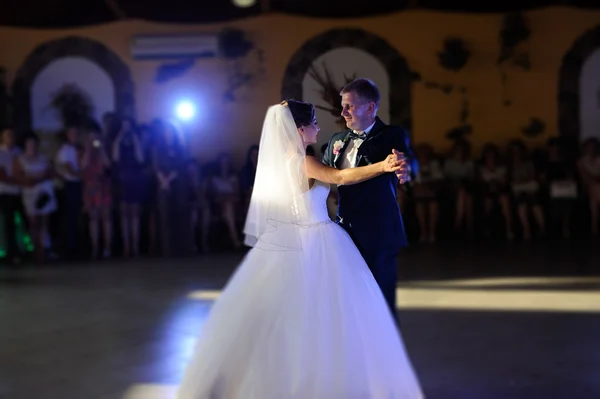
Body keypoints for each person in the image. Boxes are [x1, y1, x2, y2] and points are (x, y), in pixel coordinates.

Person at [176, 100, 423, 399]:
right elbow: (340, 177)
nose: (319, 127)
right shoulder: (303, 161)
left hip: (286, 241)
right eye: (314, 122)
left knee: (291, 317)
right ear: (299, 128)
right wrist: (383, 166)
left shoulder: (278, 163)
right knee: (327, 316)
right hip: (316, 240)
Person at [322, 78, 417, 318]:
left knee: (380, 299)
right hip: (344, 232)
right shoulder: (337, 141)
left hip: (379, 231)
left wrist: (405, 168)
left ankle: (384, 351)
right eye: (342, 106)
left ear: (370, 107)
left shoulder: (391, 135)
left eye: (349, 106)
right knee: (349, 297)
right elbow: (325, 174)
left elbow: (406, 159)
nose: (343, 112)